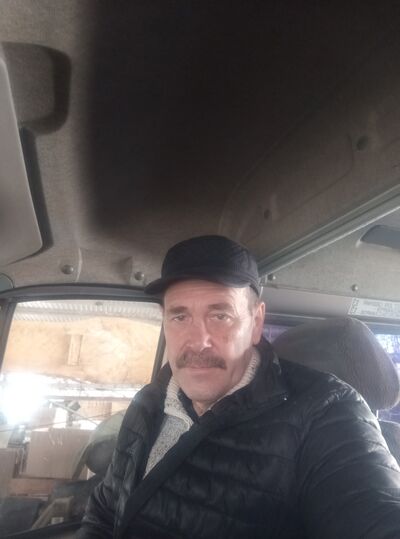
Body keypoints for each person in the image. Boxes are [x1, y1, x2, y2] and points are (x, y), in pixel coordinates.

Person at [78, 235, 400, 539]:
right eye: (180, 317)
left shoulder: (326, 413)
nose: (198, 342)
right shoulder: (148, 401)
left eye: (220, 316)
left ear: (256, 323)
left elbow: (374, 513)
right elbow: (106, 510)